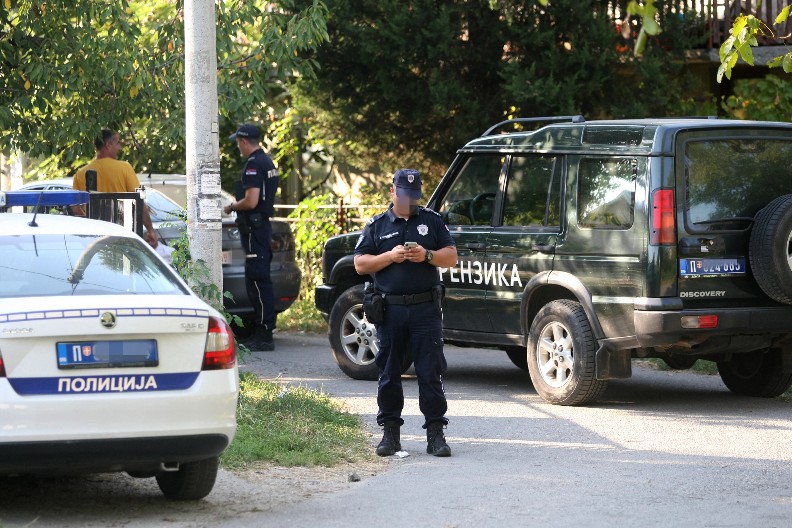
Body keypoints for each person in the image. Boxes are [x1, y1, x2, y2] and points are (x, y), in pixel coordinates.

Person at [354, 168, 458, 457]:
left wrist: (426, 255)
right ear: (392, 192)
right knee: (388, 373)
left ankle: (435, 433)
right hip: (390, 310)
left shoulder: (432, 221)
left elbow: (451, 257)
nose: (409, 202)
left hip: (425, 309)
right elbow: (360, 264)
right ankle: (390, 433)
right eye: (404, 196)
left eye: (414, 197)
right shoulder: (376, 225)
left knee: (430, 371)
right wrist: (390, 256)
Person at [223, 124, 280, 351]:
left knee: (257, 279)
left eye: (238, 142)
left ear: (244, 141)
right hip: (261, 228)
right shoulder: (267, 161)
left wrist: (231, 207)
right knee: (261, 279)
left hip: (255, 230)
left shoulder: (254, 165)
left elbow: (251, 201)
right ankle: (263, 330)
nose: (238, 146)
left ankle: (264, 334)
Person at [72, 128, 158, 247]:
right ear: (108, 145)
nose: (120, 148)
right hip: (123, 235)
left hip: (96, 239)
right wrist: (150, 230)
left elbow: (75, 208)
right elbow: (140, 200)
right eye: (118, 143)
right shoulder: (125, 168)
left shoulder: (80, 173)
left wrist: (90, 223)